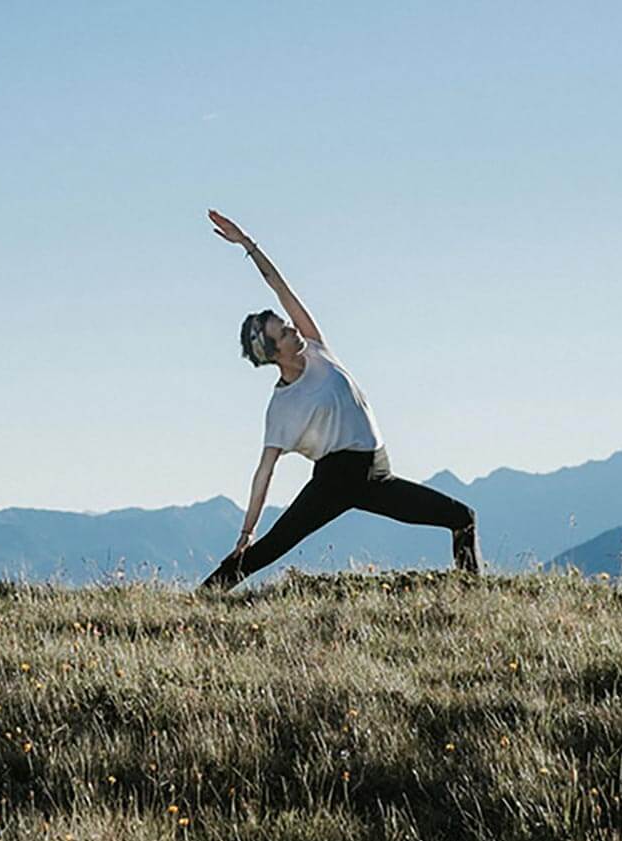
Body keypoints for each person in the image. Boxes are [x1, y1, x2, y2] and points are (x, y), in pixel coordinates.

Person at [199, 208, 483, 592]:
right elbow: (264, 472)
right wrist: (246, 531)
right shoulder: (283, 406)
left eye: (284, 323)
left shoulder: (315, 346)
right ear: (273, 353)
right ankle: (202, 597)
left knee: (461, 517)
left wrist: (248, 244)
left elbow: (279, 286)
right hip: (335, 481)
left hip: (377, 474)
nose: (290, 328)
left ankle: (473, 596)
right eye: (282, 333)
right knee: (268, 550)